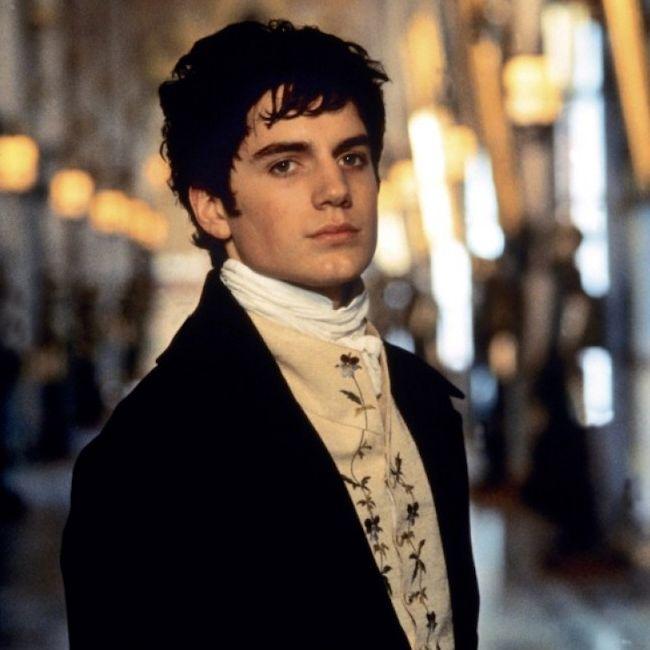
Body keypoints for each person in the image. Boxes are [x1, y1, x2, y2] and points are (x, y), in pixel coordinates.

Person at [61, 19, 479, 649]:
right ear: (211, 206)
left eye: (351, 156)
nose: (335, 190)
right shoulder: (149, 454)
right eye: (286, 164)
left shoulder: (425, 404)